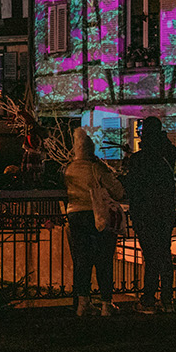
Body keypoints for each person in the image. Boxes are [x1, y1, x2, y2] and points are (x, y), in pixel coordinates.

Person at [64, 127, 125, 316]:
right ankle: (106, 303)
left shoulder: (69, 168)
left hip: (74, 215)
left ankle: (83, 303)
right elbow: (117, 191)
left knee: (82, 260)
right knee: (103, 260)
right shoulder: (96, 167)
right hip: (97, 216)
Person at [124, 116, 176, 313]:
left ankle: (148, 299)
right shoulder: (167, 156)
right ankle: (167, 299)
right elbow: (171, 152)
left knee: (151, 257)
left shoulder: (138, 160)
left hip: (145, 214)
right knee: (164, 254)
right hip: (165, 212)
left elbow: (131, 188)